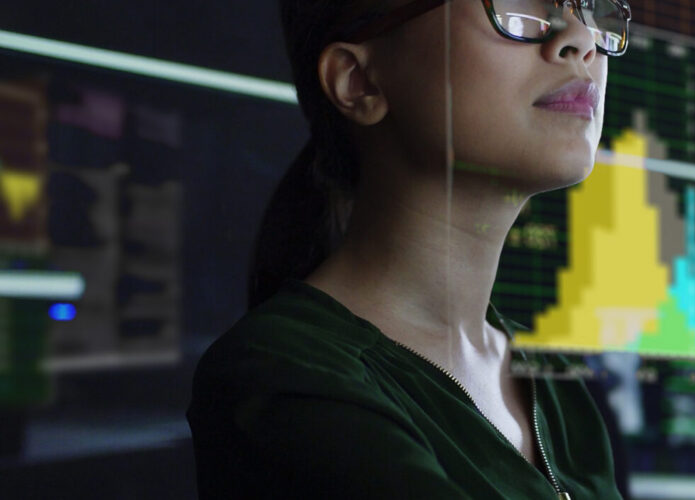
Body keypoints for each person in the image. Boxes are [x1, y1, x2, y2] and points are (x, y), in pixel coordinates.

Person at [186, 0, 630, 497]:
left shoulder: (556, 380)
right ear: (359, 81)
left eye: (590, 6)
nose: (582, 40)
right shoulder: (284, 375)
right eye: (518, 3)